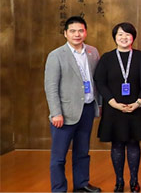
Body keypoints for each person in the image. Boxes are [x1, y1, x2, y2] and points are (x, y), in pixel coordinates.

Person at [44, 16, 102, 193]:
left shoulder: (92, 52)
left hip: (87, 109)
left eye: (80, 31)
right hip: (65, 113)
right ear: (65, 34)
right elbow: (51, 87)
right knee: (59, 156)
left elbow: (97, 81)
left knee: (82, 151)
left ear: (85, 32)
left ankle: (81, 184)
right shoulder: (56, 55)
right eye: (73, 31)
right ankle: (59, 189)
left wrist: (99, 105)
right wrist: (56, 113)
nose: (77, 34)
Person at [95, 22, 141, 192]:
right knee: (117, 145)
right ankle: (119, 181)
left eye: (127, 34)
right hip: (114, 108)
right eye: (120, 34)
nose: (124, 37)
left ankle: (134, 181)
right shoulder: (107, 58)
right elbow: (100, 82)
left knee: (133, 144)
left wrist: (139, 102)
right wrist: (113, 102)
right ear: (115, 37)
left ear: (133, 37)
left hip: (135, 107)